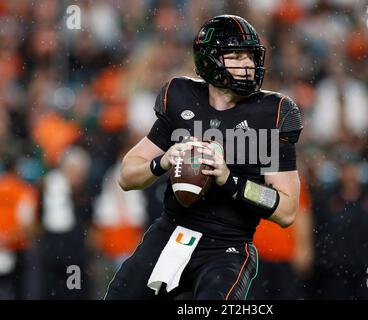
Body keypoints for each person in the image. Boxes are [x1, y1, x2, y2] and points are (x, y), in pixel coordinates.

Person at [105, 15, 303, 300]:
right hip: (171, 231)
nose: (247, 65)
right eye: (236, 56)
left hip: (226, 246)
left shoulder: (269, 115)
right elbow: (126, 177)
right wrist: (162, 162)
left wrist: (229, 180)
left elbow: (287, 210)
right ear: (210, 60)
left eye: (250, 56)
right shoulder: (181, 98)